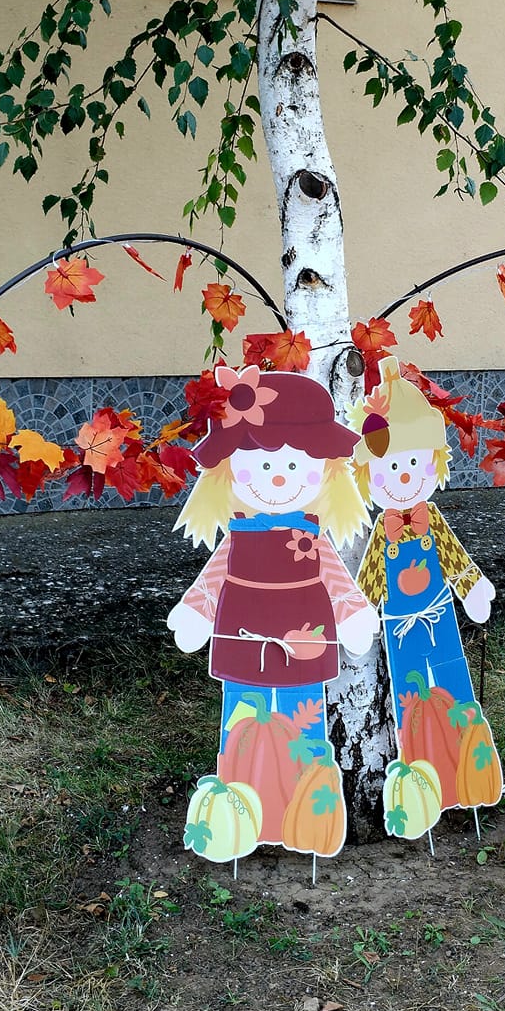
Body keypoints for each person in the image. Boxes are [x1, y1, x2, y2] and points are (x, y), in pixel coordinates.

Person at [168, 363, 375, 864]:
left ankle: (306, 812)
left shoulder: (310, 536)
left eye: (296, 466)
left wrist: (352, 613)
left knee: (304, 724)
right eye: (260, 466)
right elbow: (213, 578)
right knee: (244, 724)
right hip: (243, 641)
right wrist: (196, 612)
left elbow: (335, 578)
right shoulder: (238, 537)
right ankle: (241, 813)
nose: (278, 477)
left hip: (306, 639)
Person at [351, 357, 503, 839]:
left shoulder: (431, 519)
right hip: (399, 632)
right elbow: (371, 577)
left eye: (414, 462)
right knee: (412, 701)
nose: (404, 475)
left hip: (441, 620)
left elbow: (454, 558)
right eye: (393, 466)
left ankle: (472, 776)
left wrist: (472, 587)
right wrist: (359, 614)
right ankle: (423, 782)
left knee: (455, 688)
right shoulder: (385, 529)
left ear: (434, 461)